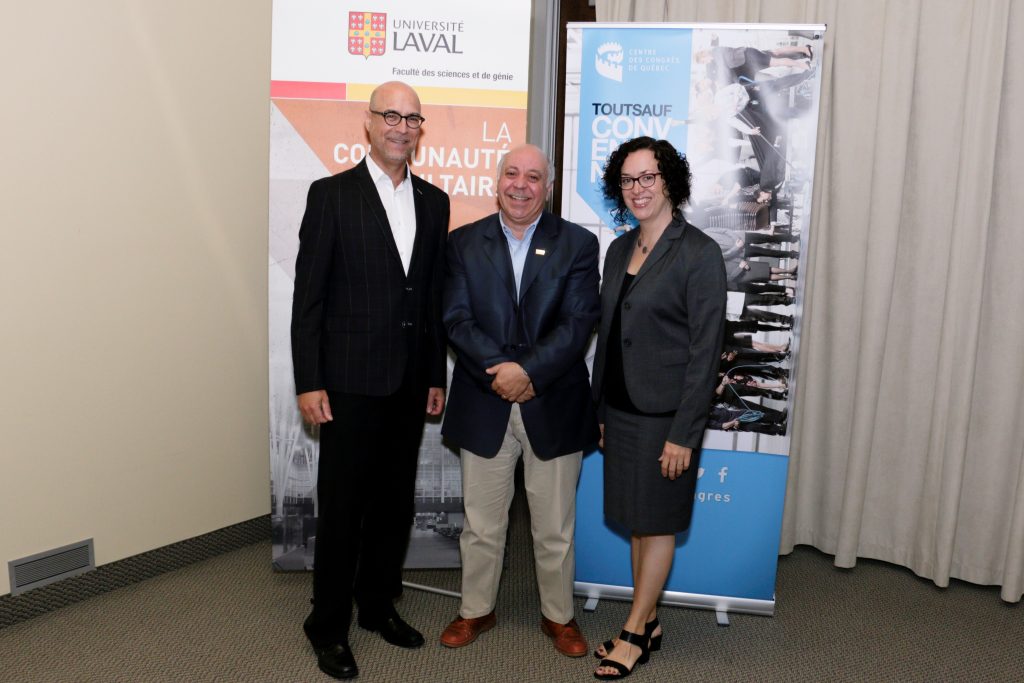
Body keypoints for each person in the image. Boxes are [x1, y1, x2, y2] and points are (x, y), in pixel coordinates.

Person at [290, 81, 449, 680]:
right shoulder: (330, 195)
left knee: (394, 505)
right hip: (349, 385)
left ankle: (377, 606)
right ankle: (326, 625)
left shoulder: (434, 203)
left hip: (410, 384)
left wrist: (435, 374)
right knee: (343, 509)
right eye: (391, 115)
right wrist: (310, 381)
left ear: (420, 128)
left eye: (412, 118)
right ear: (369, 122)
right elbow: (310, 300)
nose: (401, 127)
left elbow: (431, 299)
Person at [439, 144, 600, 658]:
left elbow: (578, 323)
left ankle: (560, 617)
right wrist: (504, 374)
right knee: (482, 525)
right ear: (497, 180)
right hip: (484, 401)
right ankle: (475, 610)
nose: (521, 185)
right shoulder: (463, 242)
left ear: (547, 187)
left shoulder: (577, 243)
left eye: (533, 177)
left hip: (551, 400)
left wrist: (527, 372)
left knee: (554, 528)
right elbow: (457, 320)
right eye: (512, 173)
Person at [590, 137, 726, 679]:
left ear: (669, 180)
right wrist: (600, 410)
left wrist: (684, 434)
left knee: (660, 524)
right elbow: (610, 336)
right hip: (620, 412)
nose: (637, 189)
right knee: (639, 524)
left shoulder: (699, 253)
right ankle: (647, 623)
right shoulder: (619, 250)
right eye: (627, 180)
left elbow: (705, 352)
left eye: (648, 177)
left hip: (665, 420)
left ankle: (633, 632)